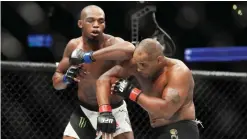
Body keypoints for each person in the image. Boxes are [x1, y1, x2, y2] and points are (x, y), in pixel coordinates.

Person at [52, 5, 135, 139]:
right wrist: (67, 79)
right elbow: (57, 82)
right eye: (90, 21)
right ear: (80, 23)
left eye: (100, 21)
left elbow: (130, 49)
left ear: (105, 24)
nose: (96, 25)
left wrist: (89, 56)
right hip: (85, 111)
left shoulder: (111, 43)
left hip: (114, 110)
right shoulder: (73, 46)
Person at [96, 38, 200, 139]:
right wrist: (105, 111)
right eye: (137, 63)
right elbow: (105, 78)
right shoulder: (137, 63)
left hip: (181, 128)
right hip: (156, 130)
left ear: (159, 60)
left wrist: (131, 91)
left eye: (143, 65)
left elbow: (166, 111)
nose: (138, 68)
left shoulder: (178, 72)